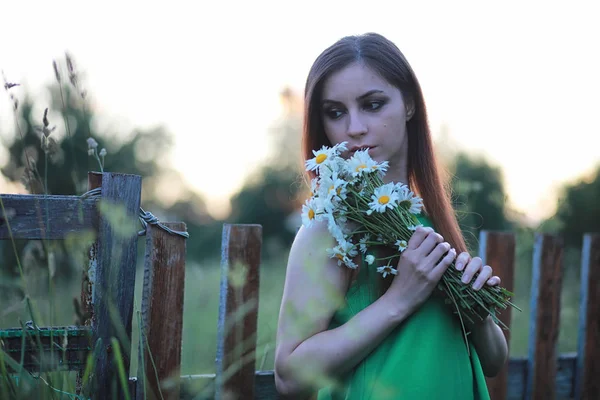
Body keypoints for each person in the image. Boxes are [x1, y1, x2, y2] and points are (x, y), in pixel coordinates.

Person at [274, 33, 508, 399]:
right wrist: (398, 299)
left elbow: (494, 361)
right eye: (335, 112)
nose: (354, 127)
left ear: (410, 104)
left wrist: (478, 311)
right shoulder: (331, 229)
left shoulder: (429, 219)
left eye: (373, 104)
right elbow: (290, 377)